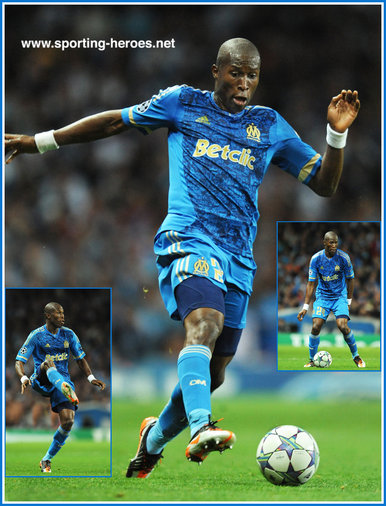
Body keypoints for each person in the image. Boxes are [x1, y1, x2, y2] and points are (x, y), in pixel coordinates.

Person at [5, 38, 360, 478]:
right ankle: (200, 426)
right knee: (204, 324)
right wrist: (39, 142)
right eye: (235, 73)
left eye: (252, 75)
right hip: (188, 238)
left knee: (215, 374)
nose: (244, 83)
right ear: (216, 71)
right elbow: (116, 122)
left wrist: (336, 134)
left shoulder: (269, 126)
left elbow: (324, 185)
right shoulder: (182, 104)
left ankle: (152, 440)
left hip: (238, 257)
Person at [15, 302, 106, 473]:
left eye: (63, 313)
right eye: (58, 313)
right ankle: (62, 386)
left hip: (62, 382)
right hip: (41, 380)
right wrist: (23, 377)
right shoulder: (36, 336)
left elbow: (80, 358)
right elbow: (19, 361)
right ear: (48, 316)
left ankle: (46, 459)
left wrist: (91, 377)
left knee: (68, 421)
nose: (63, 316)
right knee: (48, 363)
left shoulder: (69, 335)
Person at [297, 231, 365, 368]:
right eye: (331, 242)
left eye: (336, 242)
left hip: (339, 297)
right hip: (322, 297)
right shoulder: (316, 259)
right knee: (316, 326)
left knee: (342, 326)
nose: (334, 245)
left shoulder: (343, 258)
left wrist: (349, 301)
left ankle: (356, 356)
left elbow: (350, 279)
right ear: (324, 243)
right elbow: (311, 283)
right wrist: (305, 307)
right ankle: (312, 360)